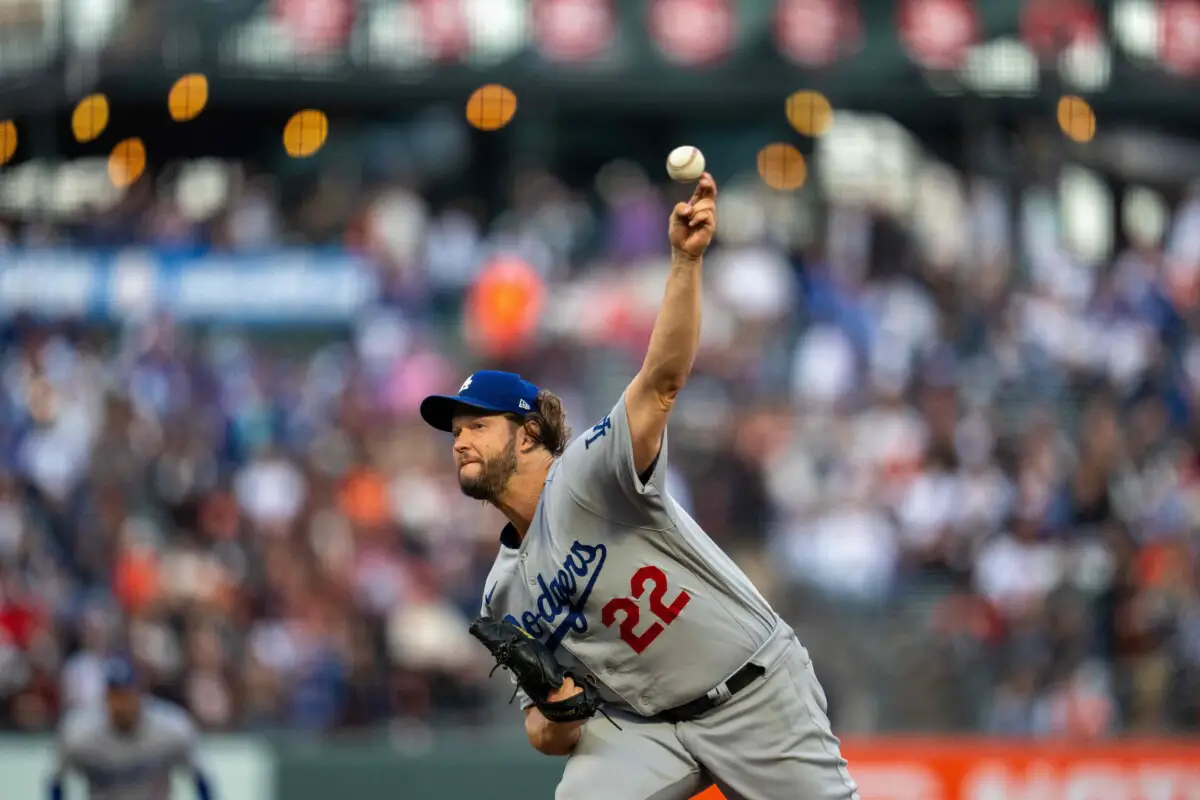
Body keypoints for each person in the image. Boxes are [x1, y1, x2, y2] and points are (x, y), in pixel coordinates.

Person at [420, 174, 858, 800]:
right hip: (645, 730)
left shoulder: (590, 475)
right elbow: (545, 735)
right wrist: (558, 709)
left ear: (526, 435)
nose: (459, 440)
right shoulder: (501, 591)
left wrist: (684, 261)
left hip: (750, 688)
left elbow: (660, 382)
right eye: (454, 430)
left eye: (478, 426)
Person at [48, 657, 215, 800]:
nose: (122, 704)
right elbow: (57, 781)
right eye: (115, 696)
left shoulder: (172, 727)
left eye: (127, 695)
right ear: (105, 698)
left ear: (140, 694)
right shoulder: (80, 733)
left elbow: (199, 777)